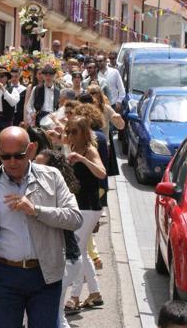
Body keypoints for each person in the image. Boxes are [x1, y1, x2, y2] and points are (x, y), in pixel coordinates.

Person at [0, 126, 83, 328]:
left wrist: (36, 210)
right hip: (4, 276)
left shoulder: (52, 177)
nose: (12, 162)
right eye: (6, 156)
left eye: (19, 156)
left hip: (45, 274)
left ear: (30, 149)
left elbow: (75, 218)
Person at [34, 149, 83, 328]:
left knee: (52, 314)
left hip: (66, 261)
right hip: (66, 261)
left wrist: (35, 210)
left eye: (39, 165)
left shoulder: (56, 193)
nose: (32, 168)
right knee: (56, 314)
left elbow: (71, 219)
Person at [64, 116, 106, 310]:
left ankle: (74, 297)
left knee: (76, 251)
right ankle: (95, 293)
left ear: (84, 132)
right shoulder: (72, 148)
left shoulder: (89, 150)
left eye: (74, 131)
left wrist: (82, 159)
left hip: (89, 208)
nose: (70, 135)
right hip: (79, 207)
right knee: (82, 251)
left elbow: (101, 173)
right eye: (68, 131)